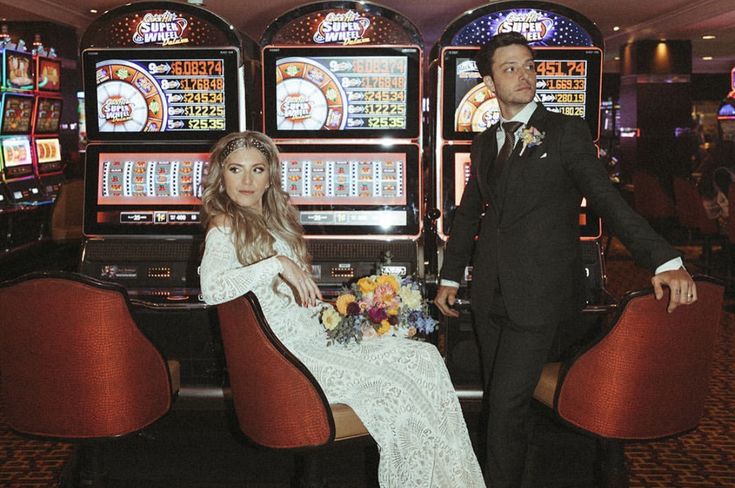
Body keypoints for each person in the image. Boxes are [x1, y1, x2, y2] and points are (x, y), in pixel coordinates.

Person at [433, 32, 697, 488]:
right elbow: (469, 215)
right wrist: (451, 276)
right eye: (510, 68)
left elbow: (607, 200)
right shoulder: (485, 141)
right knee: (501, 402)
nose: (523, 75)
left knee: (508, 403)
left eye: (529, 65)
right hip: (491, 292)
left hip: (541, 293)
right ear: (489, 80)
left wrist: (663, 259)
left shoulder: (564, 131)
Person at [199, 131, 485, 488]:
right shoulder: (223, 227)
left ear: (270, 176)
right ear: (220, 174)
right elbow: (211, 289)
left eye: (257, 170)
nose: (246, 181)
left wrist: (346, 320)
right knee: (397, 388)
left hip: (315, 339)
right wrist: (277, 263)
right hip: (288, 360)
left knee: (424, 358)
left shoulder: (275, 220)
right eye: (235, 169)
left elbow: (293, 304)